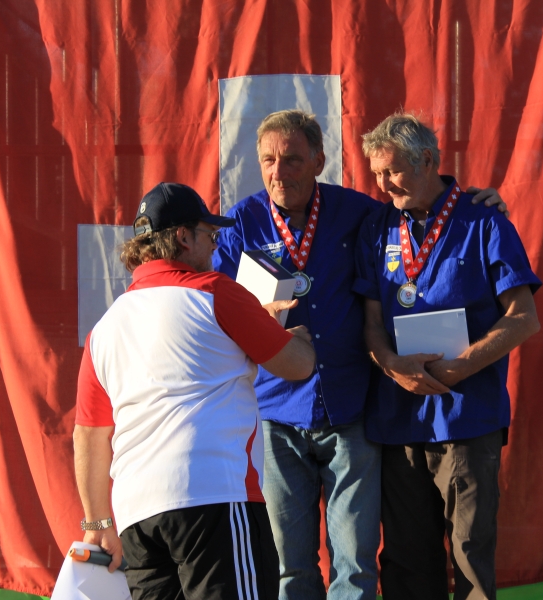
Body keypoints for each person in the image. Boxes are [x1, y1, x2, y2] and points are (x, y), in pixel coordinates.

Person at [213, 109, 509, 600]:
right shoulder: (241, 221)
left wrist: (484, 203)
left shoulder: (359, 213)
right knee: (291, 566)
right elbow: (212, 302)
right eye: (268, 160)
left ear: (318, 161)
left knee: (355, 564)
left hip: (349, 410)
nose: (278, 172)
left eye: (291, 160)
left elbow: (427, 207)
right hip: (275, 413)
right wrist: (253, 317)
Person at [73, 182, 316, 600]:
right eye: (210, 235)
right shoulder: (216, 291)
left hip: (137, 514)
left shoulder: (105, 328)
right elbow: (297, 365)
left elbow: (90, 436)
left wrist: (98, 525)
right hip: (213, 495)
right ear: (184, 237)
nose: (215, 246)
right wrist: (301, 338)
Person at [353, 113, 542, 600]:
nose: (382, 184)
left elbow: (524, 318)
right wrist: (392, 365)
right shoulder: (378, 226)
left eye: (392, 171)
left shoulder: (484, 221)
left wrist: (462, 367)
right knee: (405, 563)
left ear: (429, 161)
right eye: (375, 173)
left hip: (465, 419)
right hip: (398, 422)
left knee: (470, 559)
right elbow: (371, 323)